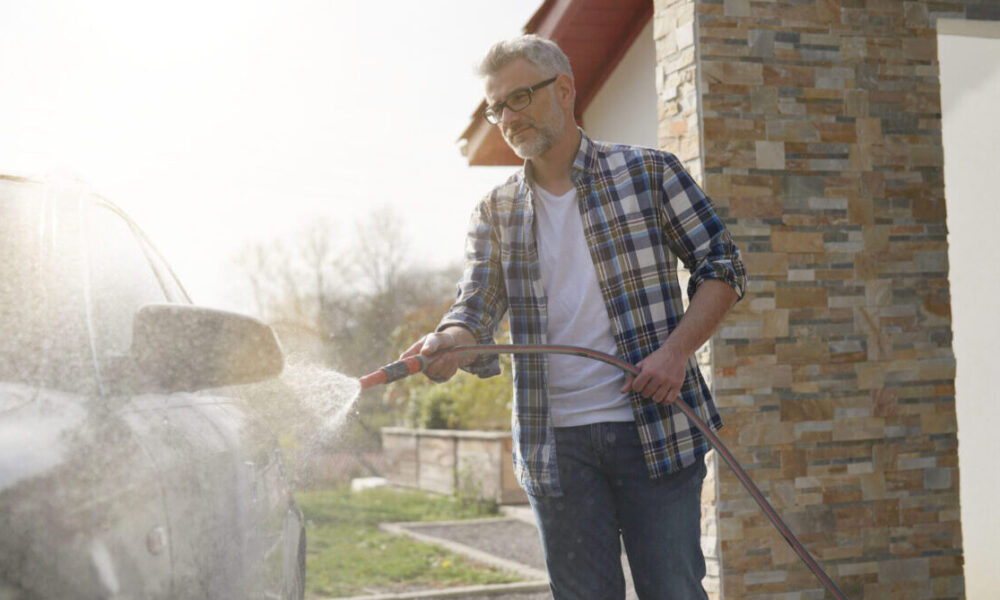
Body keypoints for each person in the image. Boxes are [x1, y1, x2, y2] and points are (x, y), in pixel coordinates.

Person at [401, 34, 746, 600]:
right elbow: (474, 307)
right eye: (495, 107)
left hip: (655, 431)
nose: (506, 119)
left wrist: (677, 351)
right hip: (554, 448)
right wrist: (450, 340)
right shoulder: (496, 211)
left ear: (563, 90)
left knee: (674, 592)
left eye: (519, 98)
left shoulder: (648, 174)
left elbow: (723, 265)